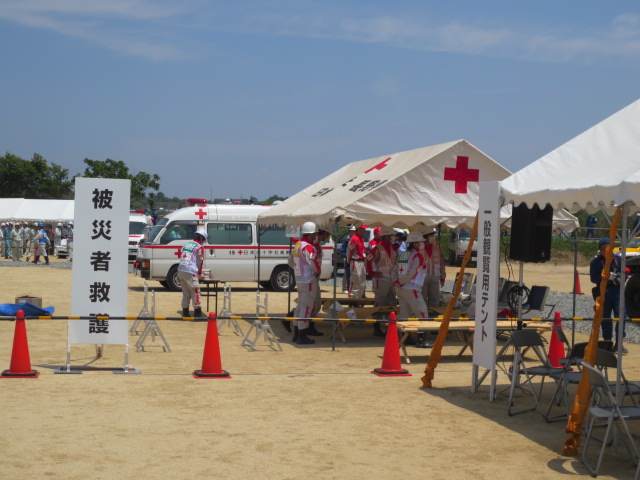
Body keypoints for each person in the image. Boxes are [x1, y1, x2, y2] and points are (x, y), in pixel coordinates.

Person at [393, 230, 430, 347]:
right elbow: (412, 273)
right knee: (422, 313)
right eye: (421, 242)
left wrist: (397, 282)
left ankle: (405, 339)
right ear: (415, 243)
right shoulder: (417, 256)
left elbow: (394, 270)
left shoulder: (403, 254)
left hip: (401, 289)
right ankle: (421, 340)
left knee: (405, 314)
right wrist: (401, 282)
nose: (423, 243)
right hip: (412, 288)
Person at [590, 237, 625, 351]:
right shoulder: (596, 261)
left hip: (617, 291)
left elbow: (625, 273)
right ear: (600, 250)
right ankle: (607, 341)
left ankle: (620, 342)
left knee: (621, 316)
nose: (606, 251)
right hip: (603, 291)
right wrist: (605, 277)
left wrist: (620, 278)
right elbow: (593, 278)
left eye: (608, 248)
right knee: (605, 317)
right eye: (603, 249)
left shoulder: (618, 259)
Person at [288, 221, 320, 345]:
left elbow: (290, 261)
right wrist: (317, 272)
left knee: (300, 306)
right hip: (308, 280)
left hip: (300, 279)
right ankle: (302, 335)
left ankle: (296, 334)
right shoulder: (308, 247)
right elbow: (313, 262)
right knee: (306, 307)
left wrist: (298, 271)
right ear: (311, 234)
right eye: (315, 234)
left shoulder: (297, 245)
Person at [367, 226, 397, 337]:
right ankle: (377, 328)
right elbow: (368, 260)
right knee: (380, 303)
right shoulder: (377, 248)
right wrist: (372, 273)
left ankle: (390, 327)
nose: (393, 237)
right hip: (381, 280)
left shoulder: (393, 249)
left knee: (392, 303)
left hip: (391, 279)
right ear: (386, 236)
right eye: (391, 235)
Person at [177, 228, 207, 319]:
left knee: (186, 292)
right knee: (195, 291)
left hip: (181, 269)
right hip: (190, 270)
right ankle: (197, 313)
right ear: (202, 238)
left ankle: (185, 312)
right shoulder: (199, 247)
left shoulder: (186, 245)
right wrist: (200, 273)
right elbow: (200, 261)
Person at [421, 229, 447, 311]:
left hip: (435, 278)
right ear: (425, 237)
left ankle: (433, 317)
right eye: (431, 235)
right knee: (422, 301)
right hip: (422, 279)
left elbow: (442, 263)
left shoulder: (437, 248)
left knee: (434, 301)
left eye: (433, 235)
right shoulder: (419, 248)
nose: (433, 237)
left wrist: (443, 277)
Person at [347, 224, 368, 298]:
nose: (364, 231)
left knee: (362, 282)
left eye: (364, 229)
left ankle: (359, 298)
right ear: (358, 229)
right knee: (356, 279)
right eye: (362, 229)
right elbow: (349, 250)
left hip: (362, 261)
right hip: (355, 261)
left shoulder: (361, 239)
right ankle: (352, 298)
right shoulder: (354, 238)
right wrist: (349, 260)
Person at [340, 227, 354, 294]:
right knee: (346, 273)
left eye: (353, 232)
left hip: (354, 259)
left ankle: (351, 287)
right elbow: (342, 251)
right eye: (351, 232)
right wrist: (347, 256)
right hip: (347, 259)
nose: (352, 233)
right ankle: (344, 288)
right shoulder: (346, 241)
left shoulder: (356, 240)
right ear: (348, 232)